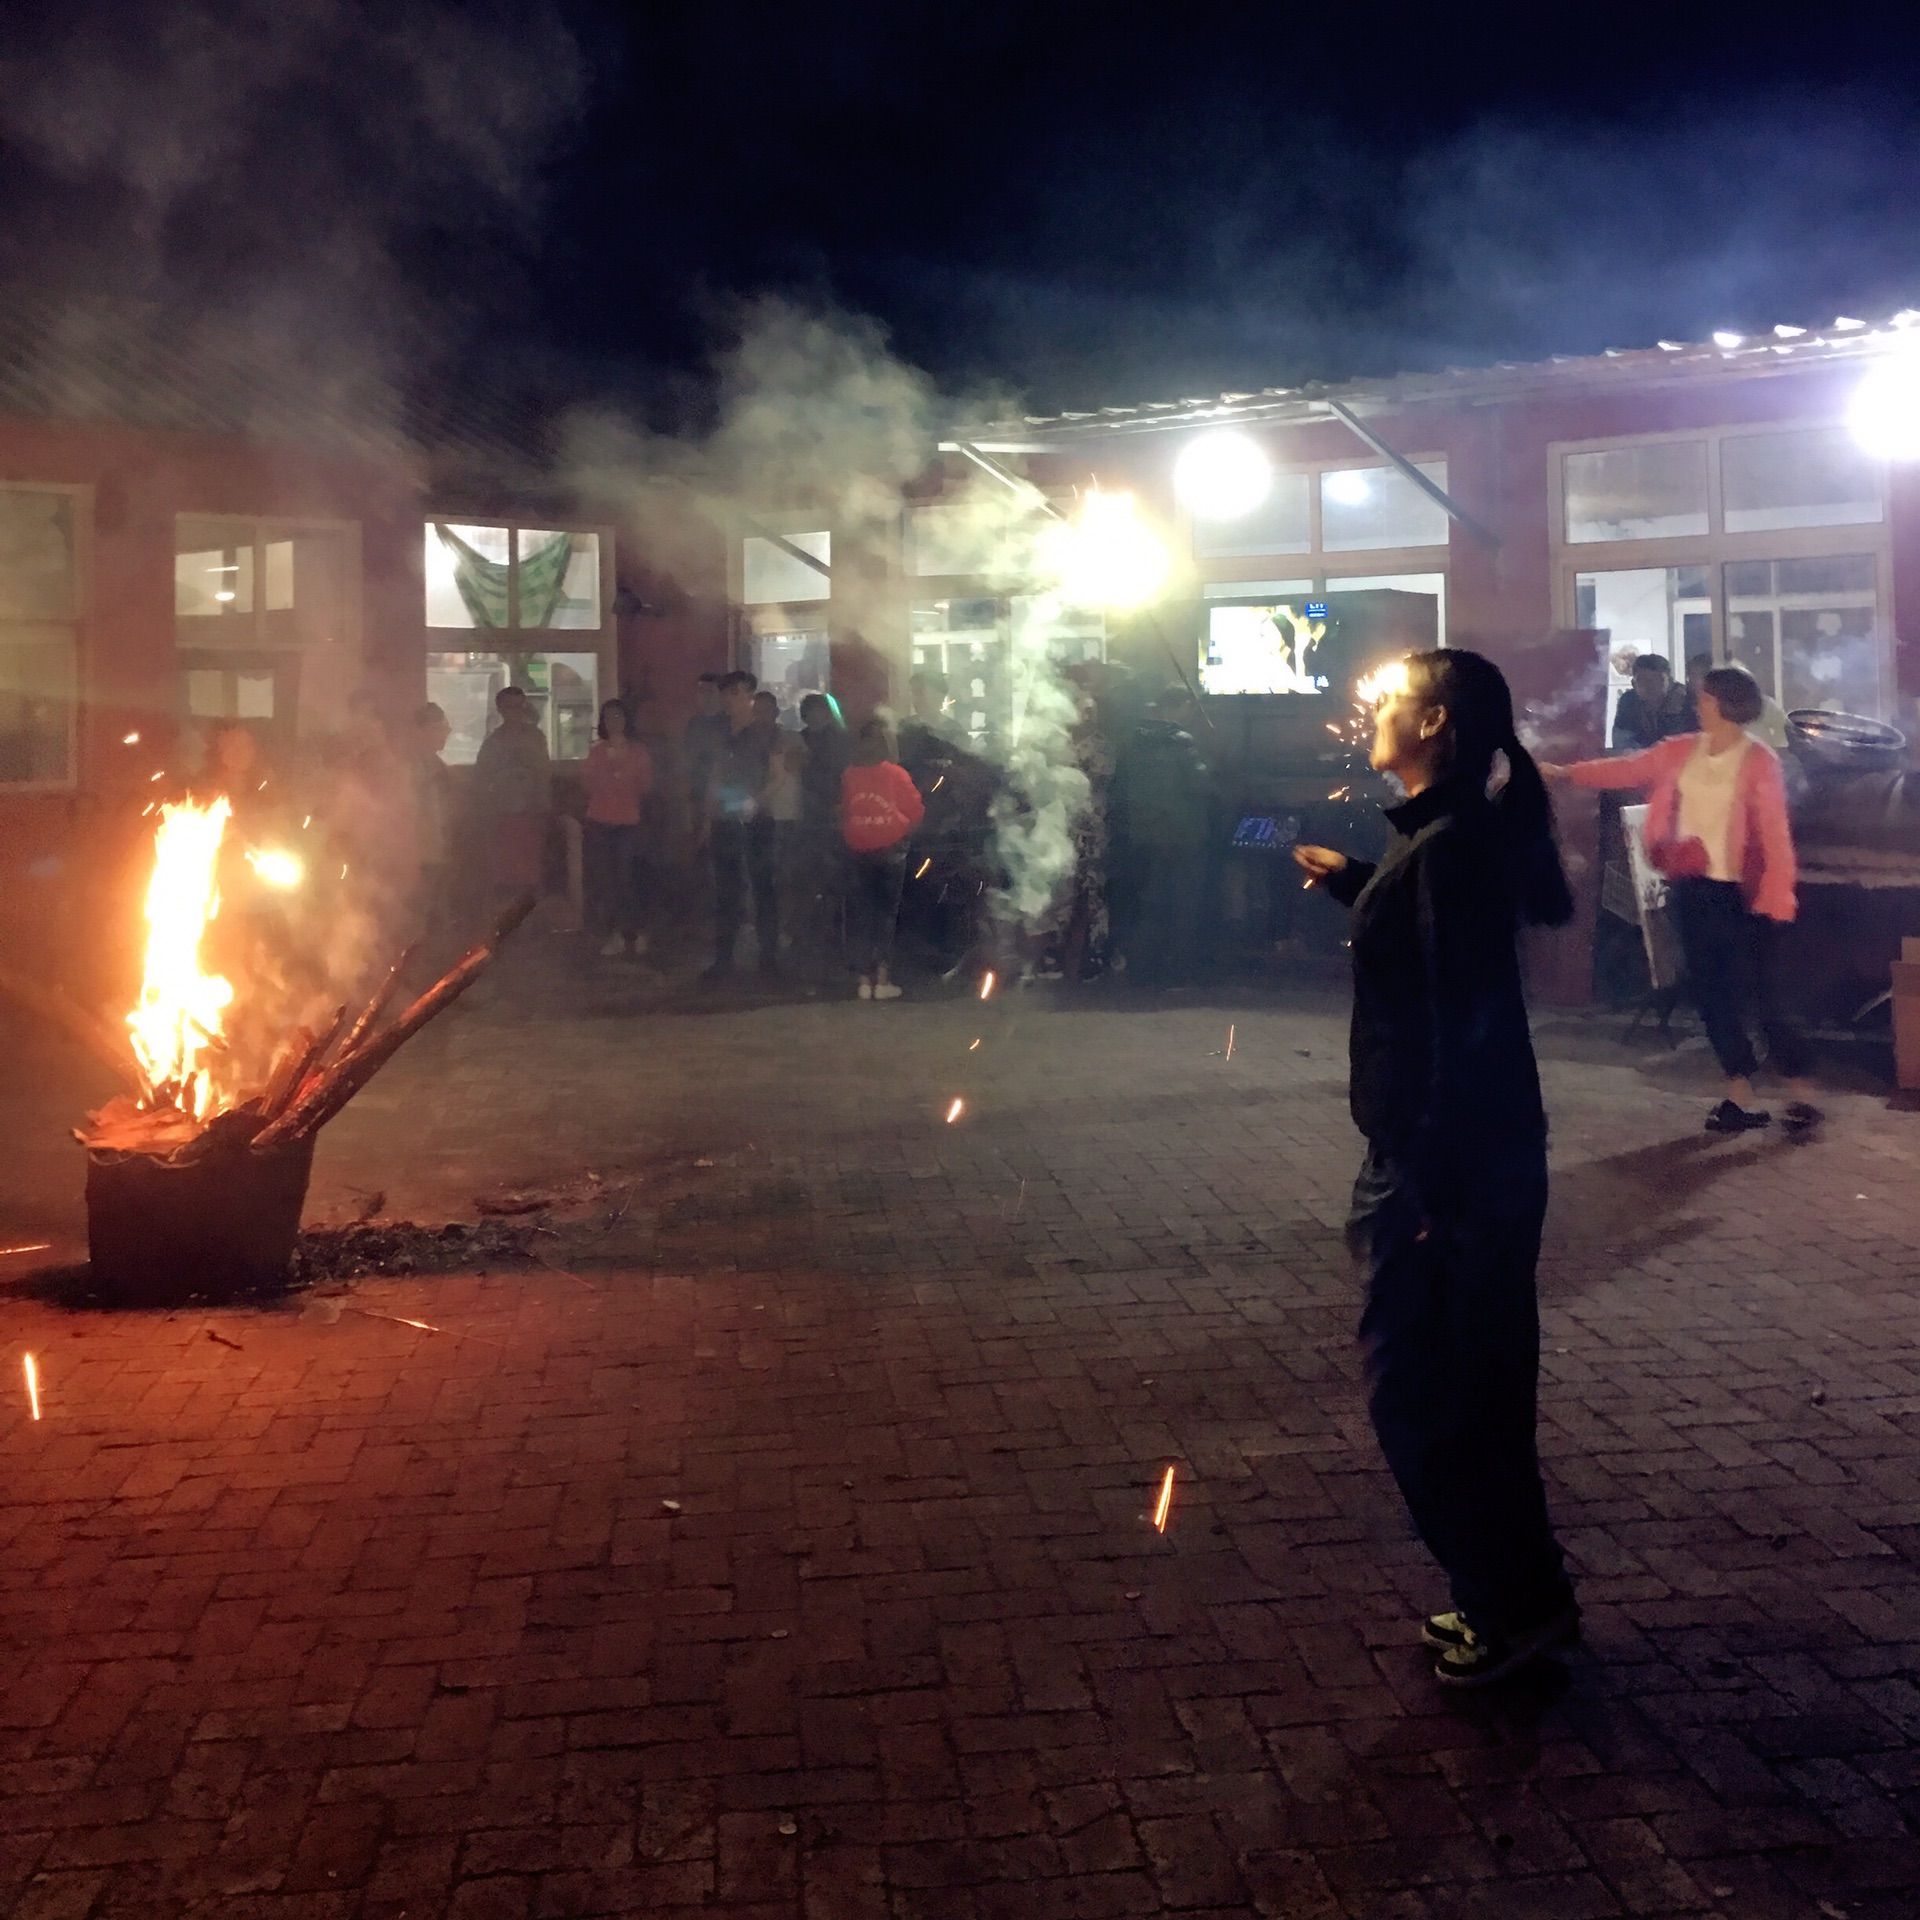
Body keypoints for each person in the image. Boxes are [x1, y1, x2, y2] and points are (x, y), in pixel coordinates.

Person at [1293, 648, 1579, 1688]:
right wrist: (1357, 887)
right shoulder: (1437, 844)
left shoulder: (1449, 849)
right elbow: (1434, 956)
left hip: (1447, 1163)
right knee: (1471, 1384)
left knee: (1430, 1392)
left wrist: (1427, 1181)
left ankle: (1510, 1609)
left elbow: (1464, 1025)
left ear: (1439, 726)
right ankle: (1521, 1600)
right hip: (1457, 1156)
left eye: (1395, 703)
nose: (1374, 713)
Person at [1546, 663, 1819, 1136]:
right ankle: (1740, 1093)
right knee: (1714, 994)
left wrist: (1779, 893)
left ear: (1726, 703)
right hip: (1695, 888)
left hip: (1746, 893)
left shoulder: (1759, 760)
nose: (1698, 703)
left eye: (1705, 697)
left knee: (1764, 993)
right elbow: (1627, 769)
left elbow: (1775, 835)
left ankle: (1800, 1091)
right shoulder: (1680, 751)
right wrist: (1568, 773)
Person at [1109, 686, 1211, 988]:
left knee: (1150, 903)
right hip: (1184, 836)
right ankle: (1179, 972)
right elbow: (1200, 785)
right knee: (1183, 904)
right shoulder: (1182, 742)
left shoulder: (1132, 741)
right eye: (1189, 708)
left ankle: (1141, 969)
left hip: (1144, 835)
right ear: (1179, 707)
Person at [840, 718, 924, 1000]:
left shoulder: (850, 774)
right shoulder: (895, 774)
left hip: (856, 849)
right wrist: (901, 830)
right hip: (889, 850)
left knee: (861, 913)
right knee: (886, 915)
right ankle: (883, 980)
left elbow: (843, 809)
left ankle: (863, 980)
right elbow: (916, 811)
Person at [704, 669, 778, 981]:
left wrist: (756, 801)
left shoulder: (766, 733)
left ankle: (770, 959)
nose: (728, 700)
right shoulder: (722, 733)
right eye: (726, 693)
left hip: (757, 820)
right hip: (725, 820)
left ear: (748, 695)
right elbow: (715, 776)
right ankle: (723, 960)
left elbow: (779, 776)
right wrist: (708, 818)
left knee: (763, 888)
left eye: (734, 693)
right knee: (726, 892)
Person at [582, 698, 654, 958]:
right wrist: (611, 773)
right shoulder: (597, 752)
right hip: (600, 821)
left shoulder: (638, 751)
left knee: (628, 881)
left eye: (618, 717)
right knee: (606, 882)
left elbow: (645, 785)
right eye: (609, 717)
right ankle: (615, 935)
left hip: (628, 823)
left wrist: (621, 774)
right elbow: (588, 783)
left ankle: (636, 932)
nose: (614, 722)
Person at [791, 692, 851, 987]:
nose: (816, 716)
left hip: (828, 821)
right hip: (806, 822)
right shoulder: (801, 739)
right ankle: (812, 950)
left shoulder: (837, 741)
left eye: (820, 711)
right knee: (809, 888)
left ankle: (831, 951)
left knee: (831, 888)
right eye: (811, 711)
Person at [472, 685, 551, 904]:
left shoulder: (536, 738)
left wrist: (543, 809)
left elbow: (544, 774)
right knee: (504, 874)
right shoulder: (492, 742)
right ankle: (505, 926)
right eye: (510, 706)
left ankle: (533, 925)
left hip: (530, 815)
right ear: (501, 709)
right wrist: (488, 813)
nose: (515, 711)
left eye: (519, 706)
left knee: (532, 872)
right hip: (502, 816)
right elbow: (480, 779)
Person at [410, 702, 454, 935]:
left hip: (436, 847)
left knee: (436, 905)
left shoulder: (436, 766)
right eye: (439, 728)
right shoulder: (409, 766)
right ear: (422, 731)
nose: (445, 734)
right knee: (420, 910)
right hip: (417, 852)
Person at [681, 672, 729, 838]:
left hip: (723, 796)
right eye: (701, 691)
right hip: (697, 792)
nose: (705, 696)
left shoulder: (728, 722)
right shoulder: (693, 724)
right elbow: (687, 761)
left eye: (710, 691)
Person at [1611, 653, 1691, 751]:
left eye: (1658, 680)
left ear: (1670, 681)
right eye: (1642, 680)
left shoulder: (1686, 699)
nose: (1650, 686)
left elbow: (1691, 742)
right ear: (1633, 684)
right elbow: (1623, 742)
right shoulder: (1628, 701)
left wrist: (1672, 716)